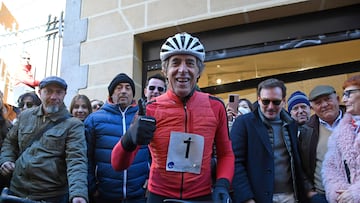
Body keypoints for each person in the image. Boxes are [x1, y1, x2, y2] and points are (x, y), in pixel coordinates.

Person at [111, 32, 235, 203]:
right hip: (159, 196)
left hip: (202, 196)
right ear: (165, 70)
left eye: (190, 63)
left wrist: (222, 184)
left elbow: (226, 154)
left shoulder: (215, 106)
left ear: (199, 70)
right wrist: (130, 137)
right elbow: (118, 164)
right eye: (175, 62)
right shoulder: (150, 108)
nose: (182, 70)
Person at [0, 76, 88, 203]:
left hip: (50, 196)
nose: (54, 97)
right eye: (49, 91)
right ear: (40, 93)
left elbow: (76, 160)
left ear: (64, 95)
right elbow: (10, 142)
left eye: (58, 92)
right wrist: (6, 160)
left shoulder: (73, 125)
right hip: (16, 192)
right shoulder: (25, 116)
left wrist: (78, 193)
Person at [230, 78, 308, 203]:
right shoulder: (244, 123)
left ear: (283, 101)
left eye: (276, 102)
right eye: (266, 101)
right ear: (259, 99)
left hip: (291, 196)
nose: (270, 107)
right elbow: (235, 162)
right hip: (258, 198)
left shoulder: (291, 124)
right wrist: (247, 198)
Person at [85, 73, 149, 203]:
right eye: (119, 88)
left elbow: (155, 153)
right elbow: (86, 157)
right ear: (111, 93)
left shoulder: (144, 117)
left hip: (139, 195)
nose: (124, 91)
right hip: (105, 196)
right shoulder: (94, 120)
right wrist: (92, 187)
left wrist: (151, 179)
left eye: (128, 88)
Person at [299, 85, 343, 203]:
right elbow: (299, 164)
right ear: (312, 107)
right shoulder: (306, 131)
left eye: (328, 99)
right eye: (318, 102)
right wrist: (310, 192)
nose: (324, 105)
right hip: (322, 196)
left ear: (338, 99)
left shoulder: (355, 121)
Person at [321, 75, 360, 203]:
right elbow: (330, 168)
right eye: (344, 94)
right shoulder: (340, 133)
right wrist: (339, 192)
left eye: (349, 94)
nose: (344, 99)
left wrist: (356, 193)